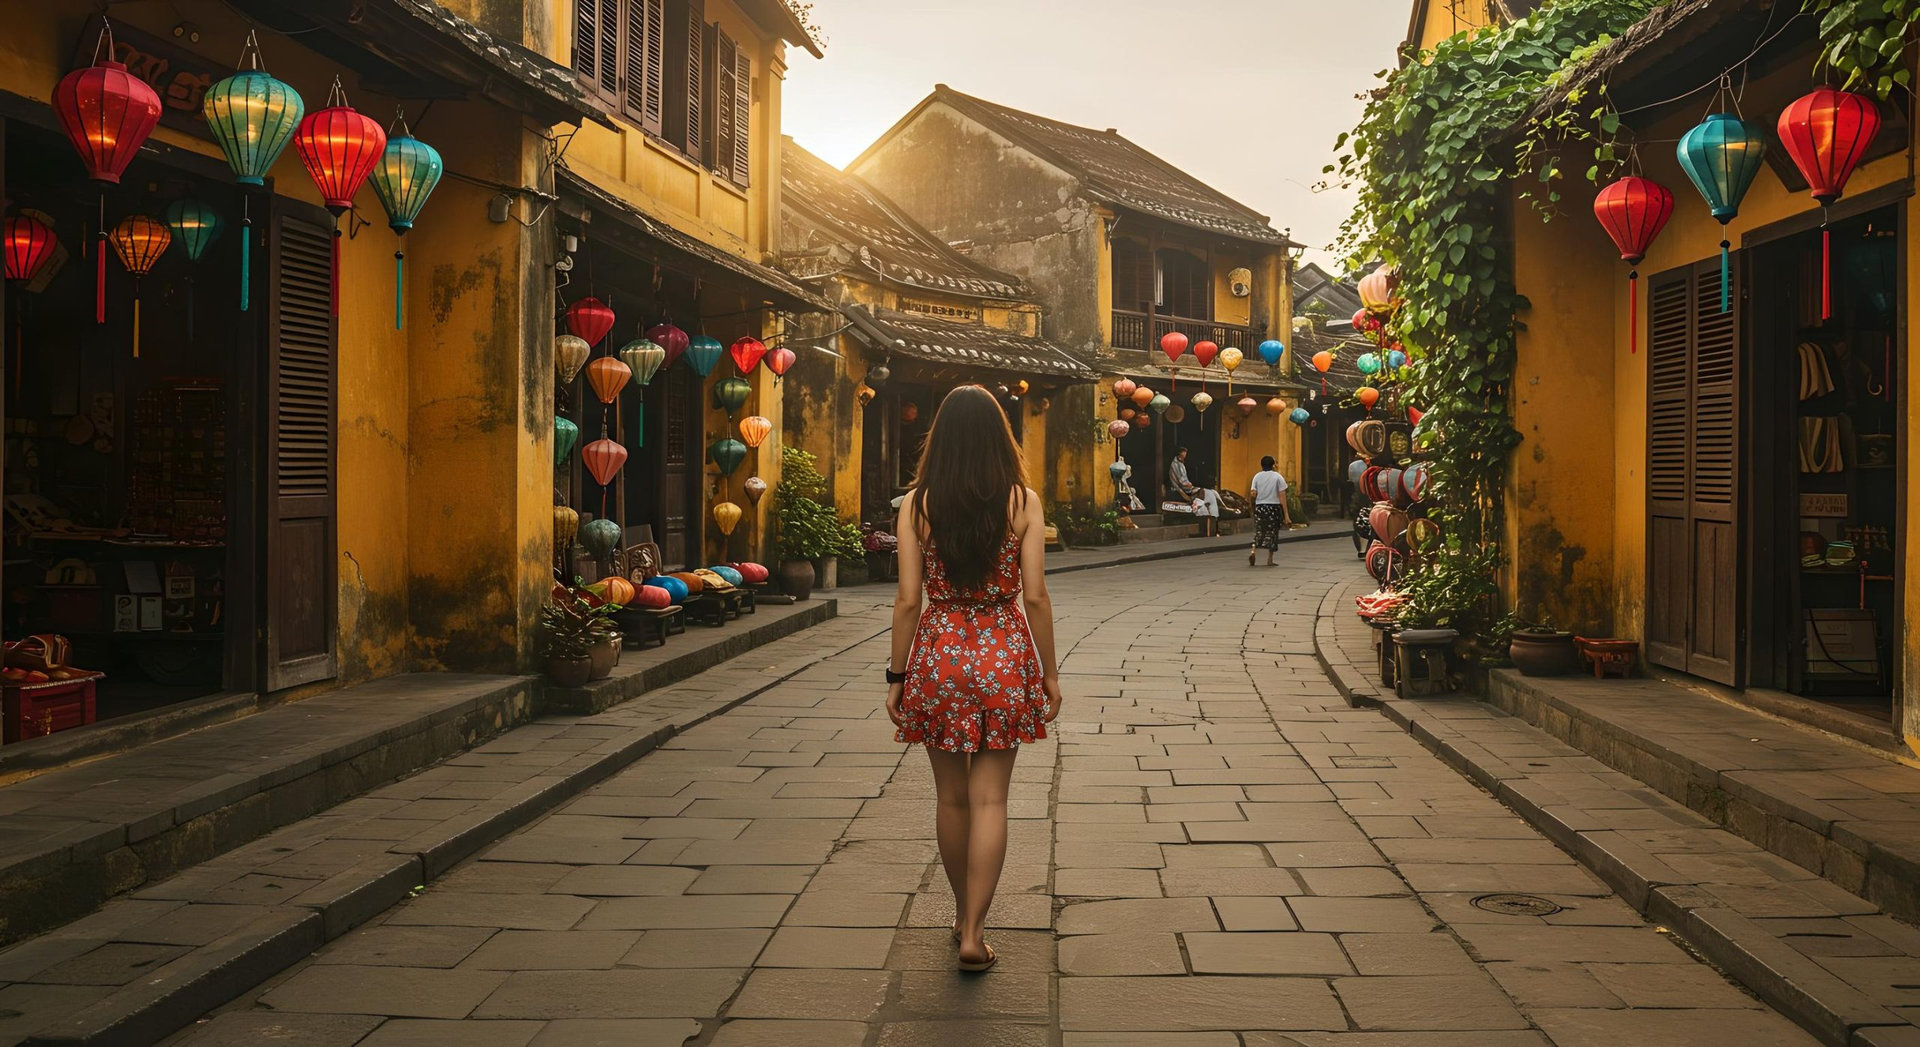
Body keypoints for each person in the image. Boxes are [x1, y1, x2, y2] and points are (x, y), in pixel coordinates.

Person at [887, 385, 1063, 974]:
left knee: (950, 797)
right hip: (1003, 655)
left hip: (938, 654)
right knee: (991, 798)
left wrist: (897, 675)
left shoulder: (916, 505)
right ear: (999, 438)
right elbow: (1035, 596)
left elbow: (908, 600)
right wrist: (1049, 674)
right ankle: (975, 932)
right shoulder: (1024, 502)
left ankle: (961, 915)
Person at [1248, 455, 1293, 566]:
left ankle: (1253, 551)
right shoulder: (1277, 477)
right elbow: (1282, 496)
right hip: (1273, 507)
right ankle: (1269, 559)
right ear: (1273, 465)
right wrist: (1286, 515)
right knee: (1272, 532)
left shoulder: (1257, 476)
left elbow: (1253, 493)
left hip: (1260, 506)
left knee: (1259, 530)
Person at [1169, 446, 1221, 536]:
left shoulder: (1181, 463)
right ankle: (1197, 504)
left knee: (1204, 492)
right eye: (1184, 452)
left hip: (1185, 485)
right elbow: (1181, 480)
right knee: (1200, 491)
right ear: (1180, 453)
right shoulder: (1175, 464)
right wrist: (1188, 484)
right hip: (1179, 487)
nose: (1185, 454)